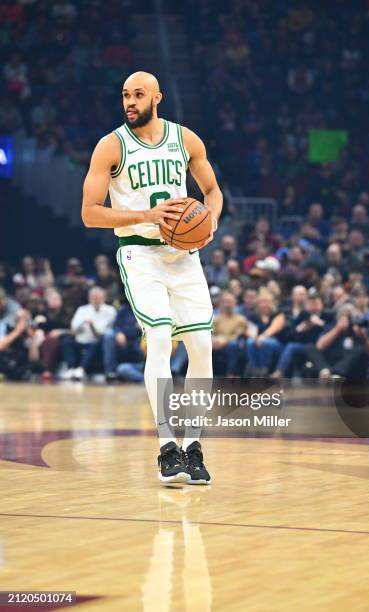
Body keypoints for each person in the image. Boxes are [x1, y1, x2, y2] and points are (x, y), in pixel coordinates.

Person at [81, 71, 222, 485]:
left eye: (138, 94)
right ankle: (166, 447)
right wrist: (145, 215)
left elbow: (212, 191)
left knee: (201, 346)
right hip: (139, 253)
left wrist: (208, 221)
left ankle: (192, 447)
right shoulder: (111, 146)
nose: (130, 101)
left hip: (183, 255)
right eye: (125, 95)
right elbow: (90, 213)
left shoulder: (186, 140)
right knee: (160, 336)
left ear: (157, 97)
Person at [61, 286, 116, 380]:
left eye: (98, 298)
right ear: (89, 298)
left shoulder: (110, 311)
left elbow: (99, 333)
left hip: (96, 341)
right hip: (80, 339)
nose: (96, 300)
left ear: (104, 298)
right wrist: (83, 322)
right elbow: (73, 329)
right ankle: (70, 369)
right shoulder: (82, 309)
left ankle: (82, 369)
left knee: (95, 344)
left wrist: (91, 325)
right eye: (93, 298)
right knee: (66, 341)